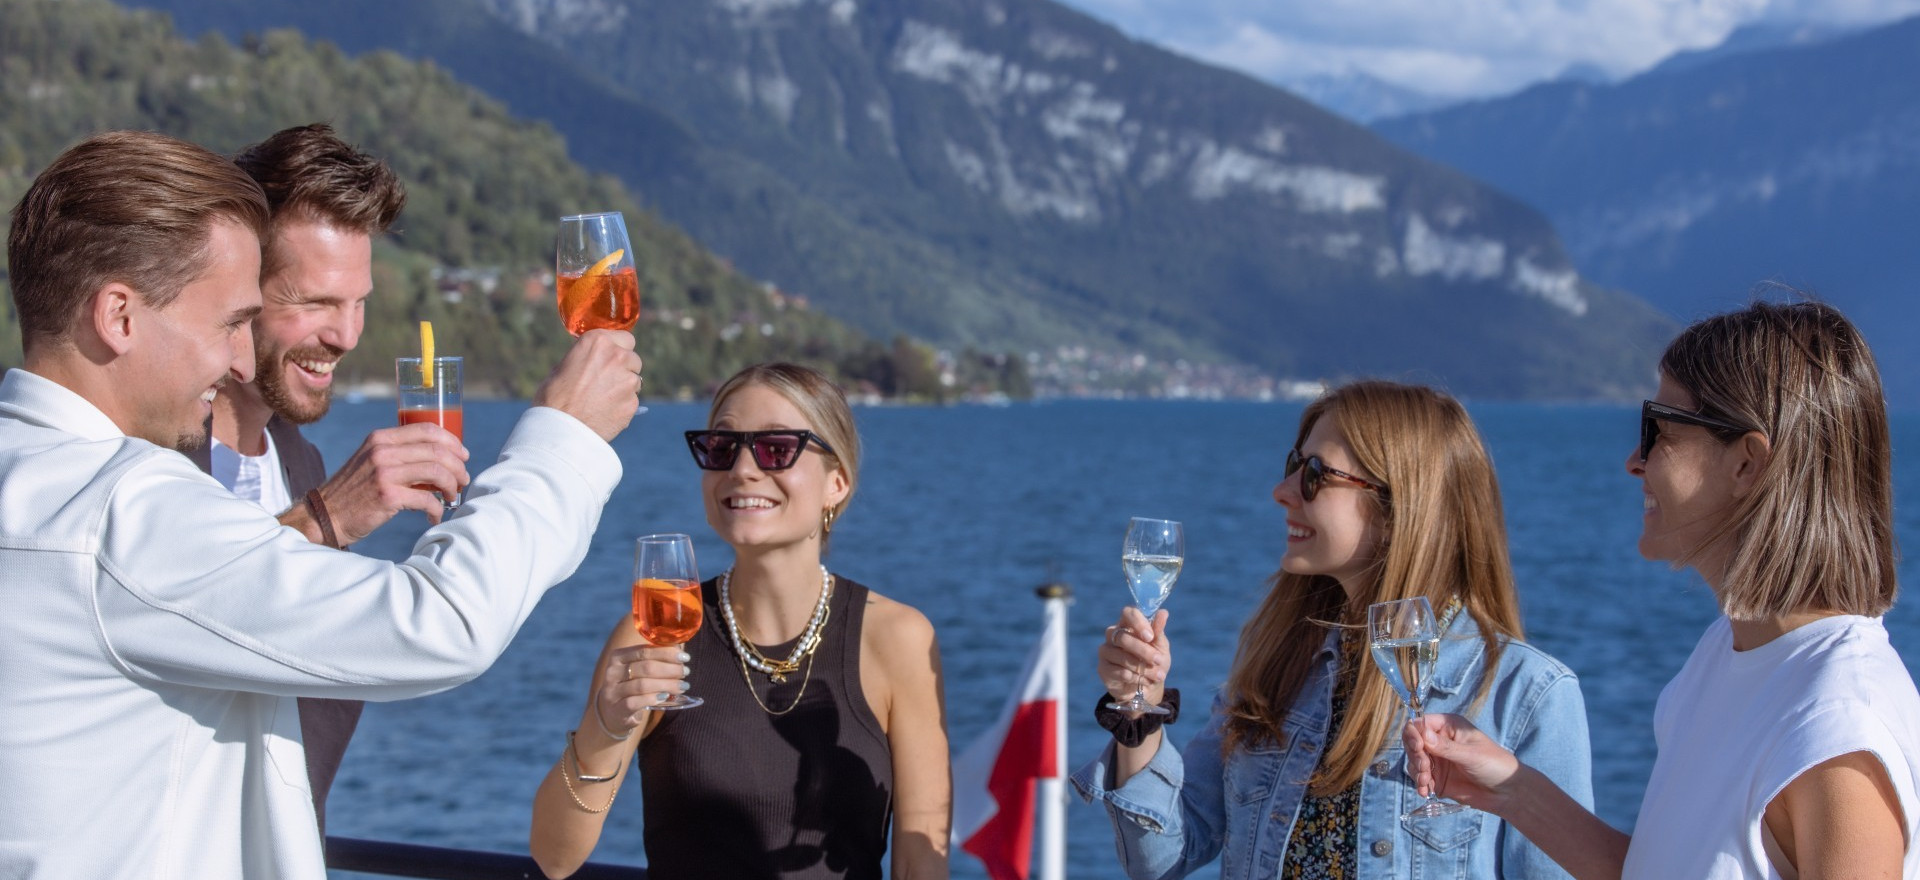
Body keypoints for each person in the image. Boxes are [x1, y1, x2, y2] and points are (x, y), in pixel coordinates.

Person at [0, 130, 642, 878]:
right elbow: (440, 624)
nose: (241, 359)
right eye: (228, 323)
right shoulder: (124, 511)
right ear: (118, 316)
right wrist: (563, 436)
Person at [1404, 299, 1920, 878]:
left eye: (1658, 431)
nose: (1634, 460)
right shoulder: (1729, 652)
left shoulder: (1837, 720)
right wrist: (1513, 790)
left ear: (1748, 464)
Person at [1074, 380, 1592, 879]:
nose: (1281, 491)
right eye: (1292, 465)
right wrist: (1139, 707)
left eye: (1315, 474)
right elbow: (1158, 859)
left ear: (1399, 507)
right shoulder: (1279, 669)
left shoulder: (1525, 696)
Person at [529, 362, 950, 880]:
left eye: (776, 448)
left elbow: (922, 862)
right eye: (722, 448)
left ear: (836, 482)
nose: (743, 469)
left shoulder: (898, 640)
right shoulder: (654, 635)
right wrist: (603, 727)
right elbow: (554, 857)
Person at [186, 122, 452, 829]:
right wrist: (325, 519)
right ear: (235, 289)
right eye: (316, 302)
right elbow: (188, 631)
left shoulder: (301, 463)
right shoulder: (151, 459)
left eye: (358, 301)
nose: (348, 335)